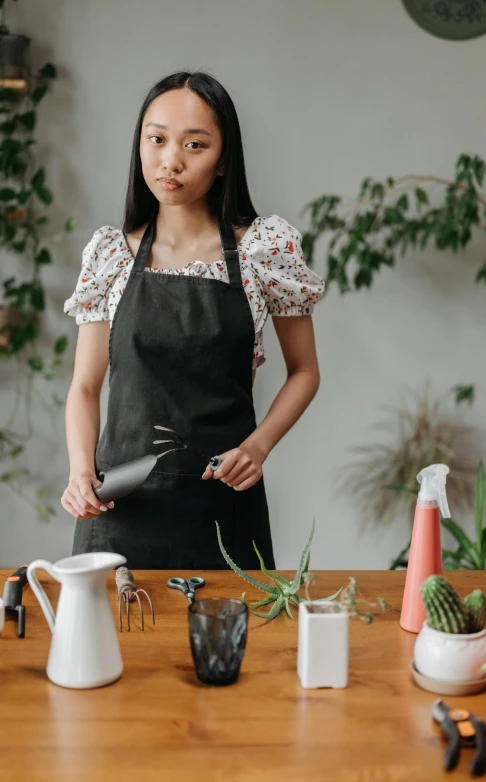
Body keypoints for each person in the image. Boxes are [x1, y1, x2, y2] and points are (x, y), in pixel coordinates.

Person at [61, 70, 325, 570]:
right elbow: (85, 387)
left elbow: (305, 371)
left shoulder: (263, 250)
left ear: (223, 159)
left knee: (234, 647)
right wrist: (79, 473)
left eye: (194, 145)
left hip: (222, 508)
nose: (170, 161)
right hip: (117, 509)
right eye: (156, 139)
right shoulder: (110, 254)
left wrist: (257, 447)